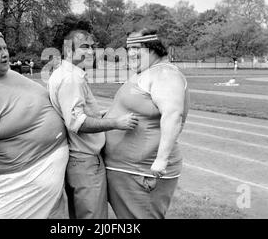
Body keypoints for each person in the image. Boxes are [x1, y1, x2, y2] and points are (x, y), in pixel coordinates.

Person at [0, 30, 69, 219]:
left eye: (5, 48)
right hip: (18, 186)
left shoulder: (10, 74)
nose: (5, 53)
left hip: (49, 177)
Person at [47, 28, 139, 219]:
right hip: (84, 161)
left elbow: (75, 113)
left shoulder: (66, 73)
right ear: (68, 50)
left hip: (77, 160)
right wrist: (116, 122)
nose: (90, 52)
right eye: (84, 47)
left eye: (92, 47)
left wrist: (103, 114)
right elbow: (77, 123)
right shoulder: (71, 78)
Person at [103, 28, 190, 219]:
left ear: (153, 48)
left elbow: (173, 114)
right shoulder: (148, 72)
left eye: (137, 48)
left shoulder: (165, 73)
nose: (131, 53)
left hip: (142, 172)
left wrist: (160, 160)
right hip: (129, 169)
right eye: (128, 48)